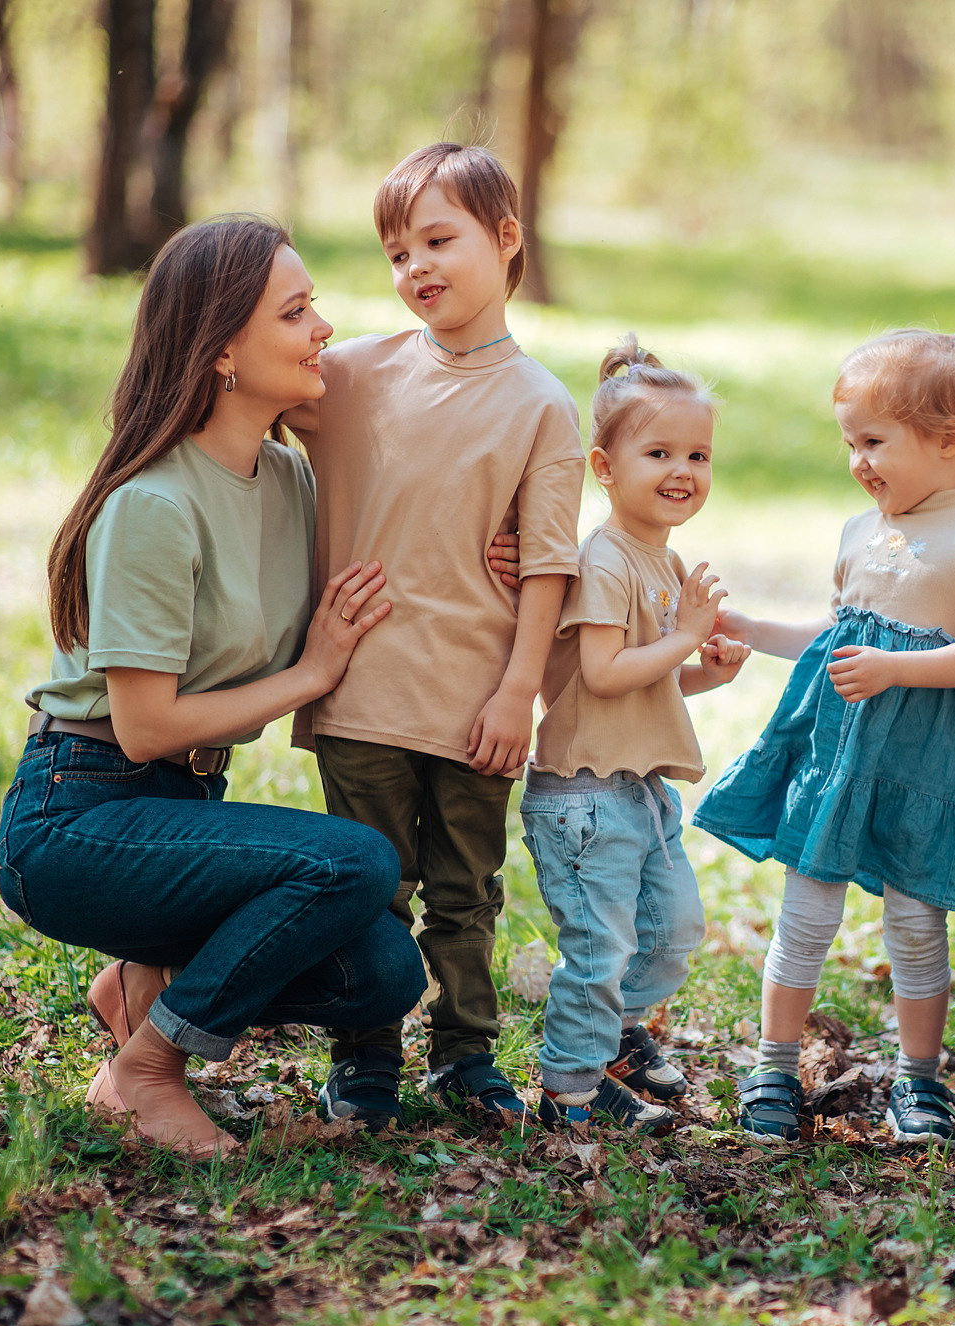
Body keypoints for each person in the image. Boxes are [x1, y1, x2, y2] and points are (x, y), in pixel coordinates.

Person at [0, 215, 428, 1160]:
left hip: (186, 804)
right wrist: (310, 675)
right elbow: (147, 727)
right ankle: (148, 1068)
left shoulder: (286, 478)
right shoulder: (152, 503)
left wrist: (503, 551)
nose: (324, 327)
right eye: (298, 310)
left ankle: (138, 987)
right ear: (223, 348)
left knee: (386, 969)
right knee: (353, 863)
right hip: (81, 816)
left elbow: (397, 464)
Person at [282, 142, 585, 1131]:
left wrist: (517, 691)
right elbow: (234, 387)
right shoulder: (351, 374)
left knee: (466, 890)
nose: (414, 267)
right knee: (370, 887)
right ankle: (363, 1055)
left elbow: (545, 563)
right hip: (360, 686)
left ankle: (463, 1052)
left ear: (505, 242)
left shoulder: (542, 403)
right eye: (395, 250)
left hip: (475, 702)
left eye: (436, 240)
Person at [694, 328, 955, 1147]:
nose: (859, 462)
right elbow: (830, 636)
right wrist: (744, 624)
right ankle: (773, 1065)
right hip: (837, 760)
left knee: (916, 924)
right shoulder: (859, 532)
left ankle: (919, 1081)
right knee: (804, 915)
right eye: (851, 443)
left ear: (948, 441)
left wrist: (894, 669)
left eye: (874, 441)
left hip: (923, 770)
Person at [523, 337, 752, 1134]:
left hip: (637, 790)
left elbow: (645, 673)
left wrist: (701, 670)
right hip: (583, 796)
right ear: (605, 467)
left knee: (674, 931)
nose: (683, 469)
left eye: (698, 452)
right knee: (600, 949)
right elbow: (605, 670)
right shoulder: (606, 559)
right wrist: (686, 635)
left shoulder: (662, 557)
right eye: (659, 451)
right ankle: (569, 1094)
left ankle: (611, 1040)